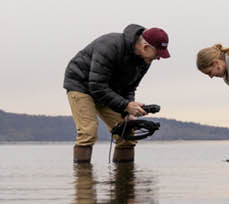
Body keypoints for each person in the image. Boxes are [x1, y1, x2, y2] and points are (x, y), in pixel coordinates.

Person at [63, 24, 169, 164]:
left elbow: (130, 87)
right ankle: (83, 183)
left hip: (108, 90)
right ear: (145, 47)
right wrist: (126, 105)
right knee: (88, 132)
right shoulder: (110, 46)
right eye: (157, 54)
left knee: (127, 134)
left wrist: (129, 113)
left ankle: (124, 184)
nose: (158, 58)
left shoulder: (145, 60)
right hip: (81, 84)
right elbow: (96, 86)